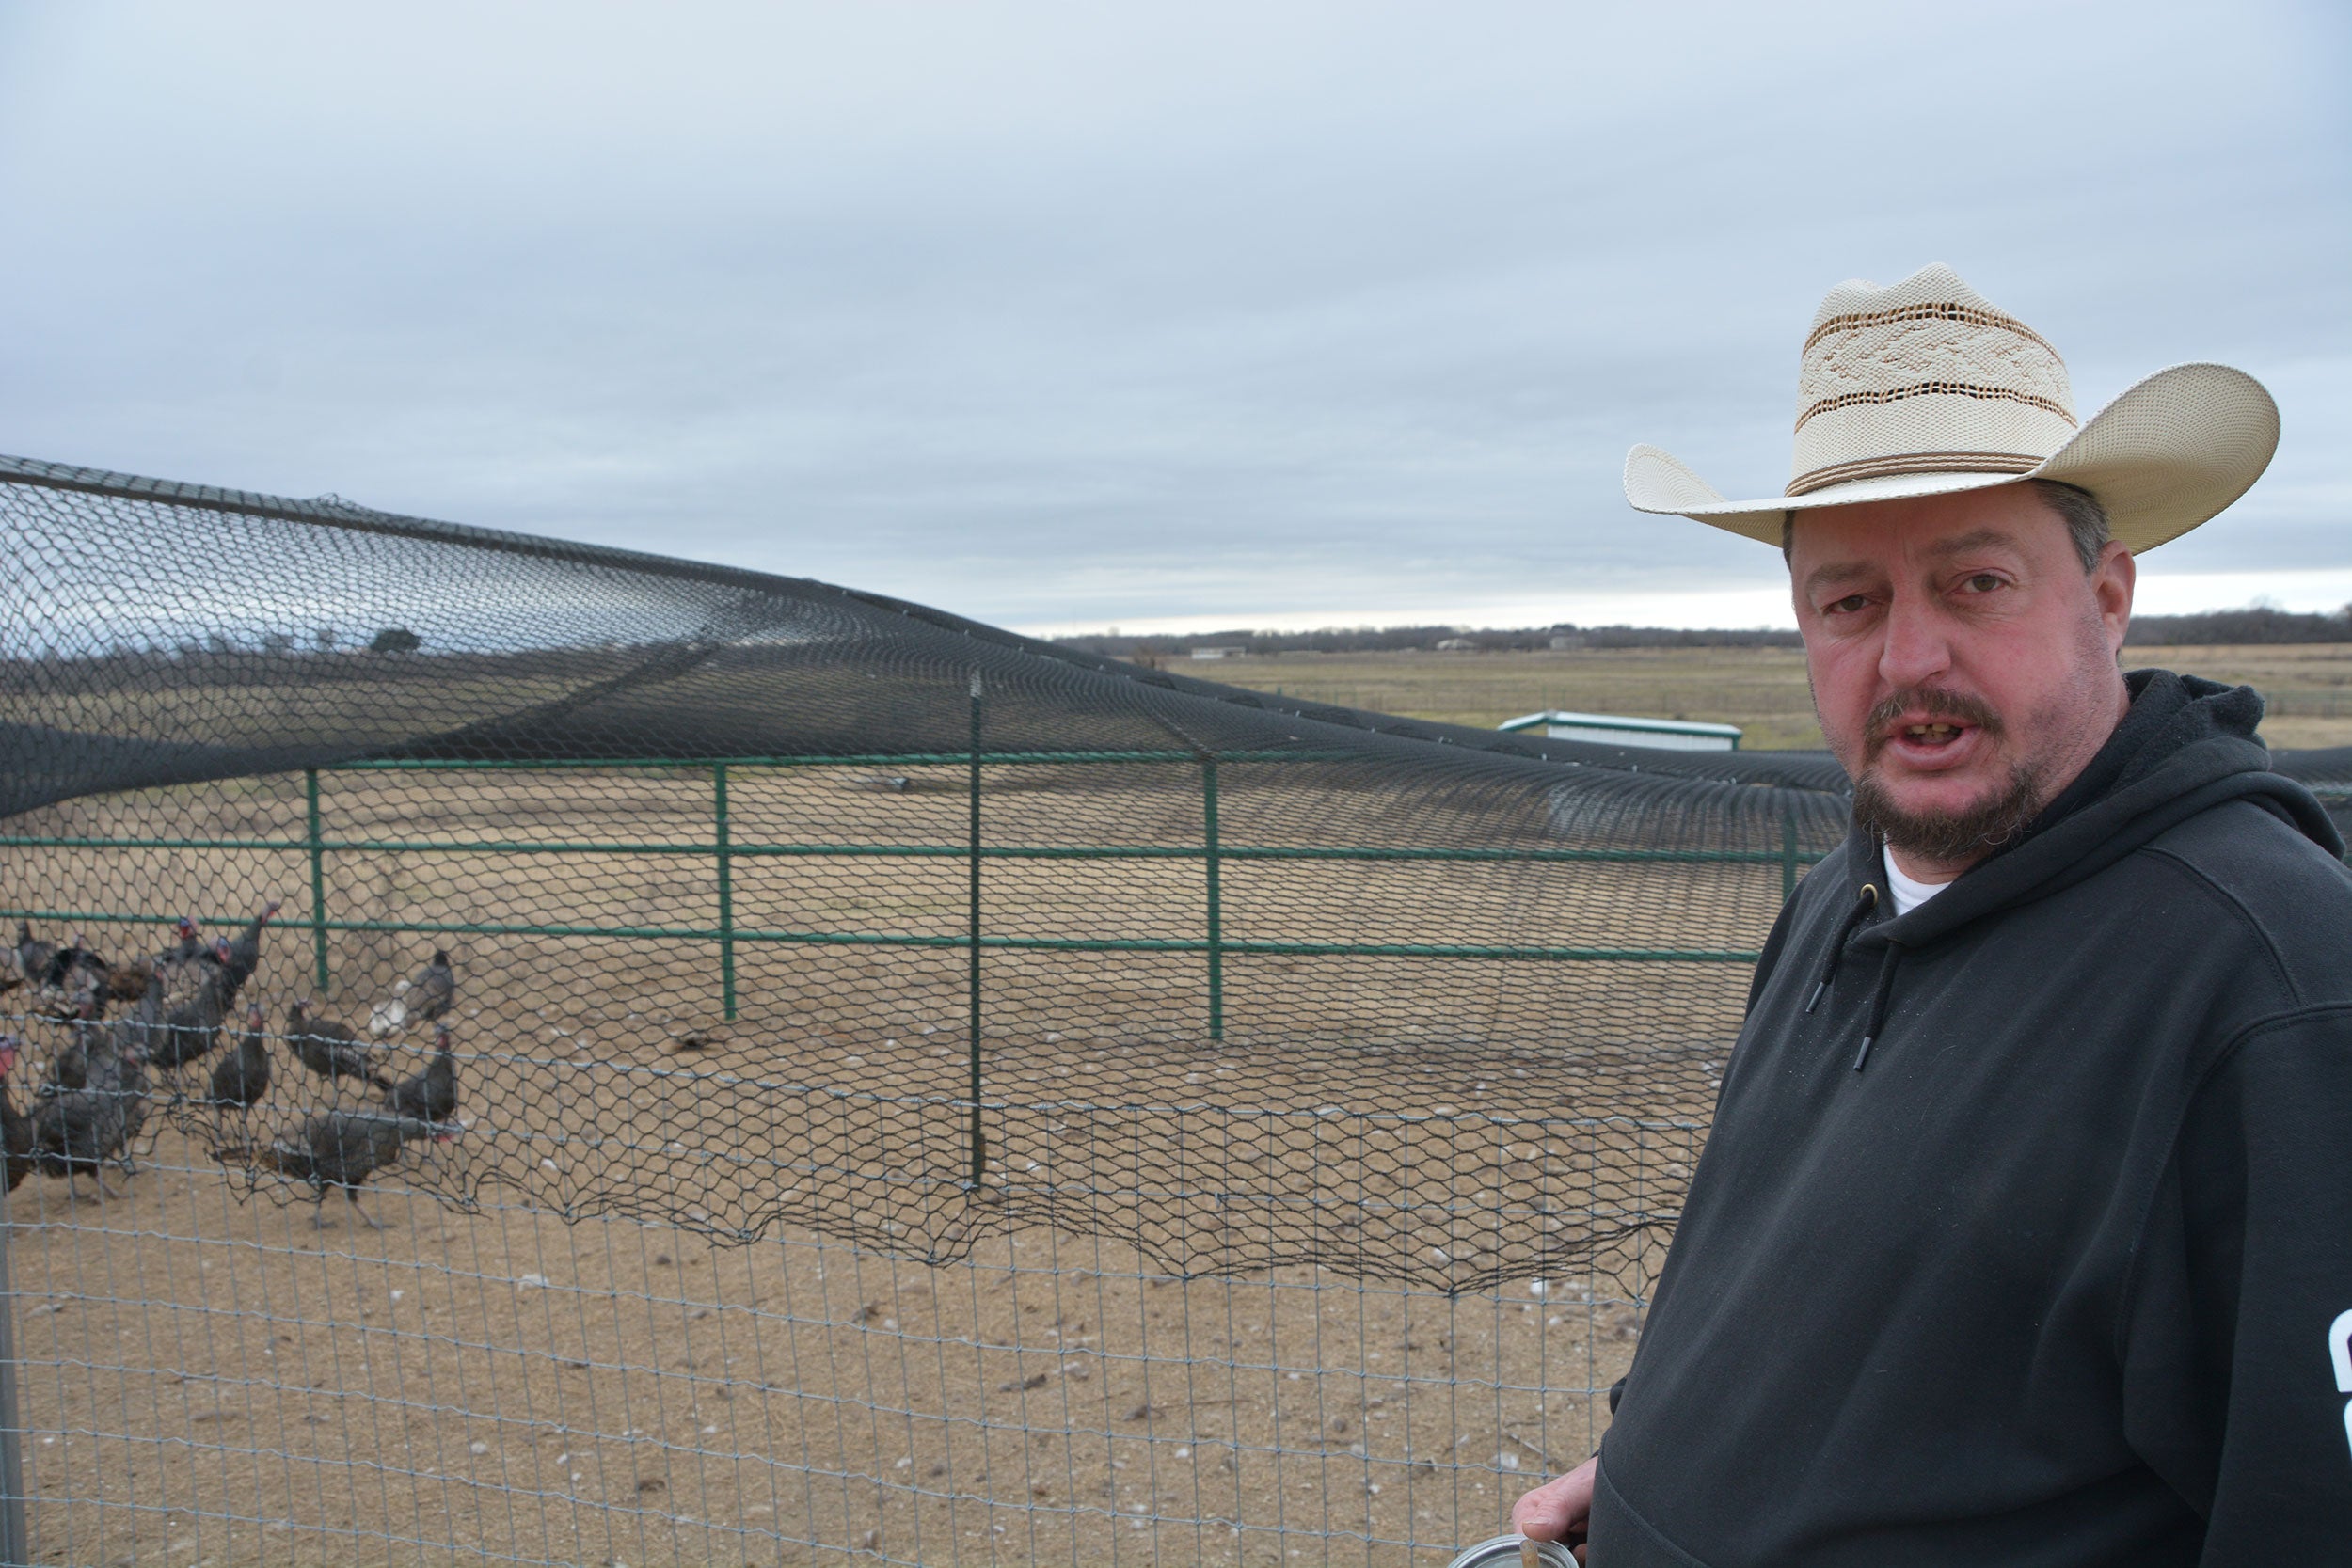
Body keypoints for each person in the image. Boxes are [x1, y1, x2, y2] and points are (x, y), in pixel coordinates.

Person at [1513, 264, 2352, 1564]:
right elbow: (1831, 1307)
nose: (1909, 661)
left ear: (2108, 596)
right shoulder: (1842, 902)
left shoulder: (2272, 983)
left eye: (1976, 584)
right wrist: (1650, 1464)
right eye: (1851, 602)